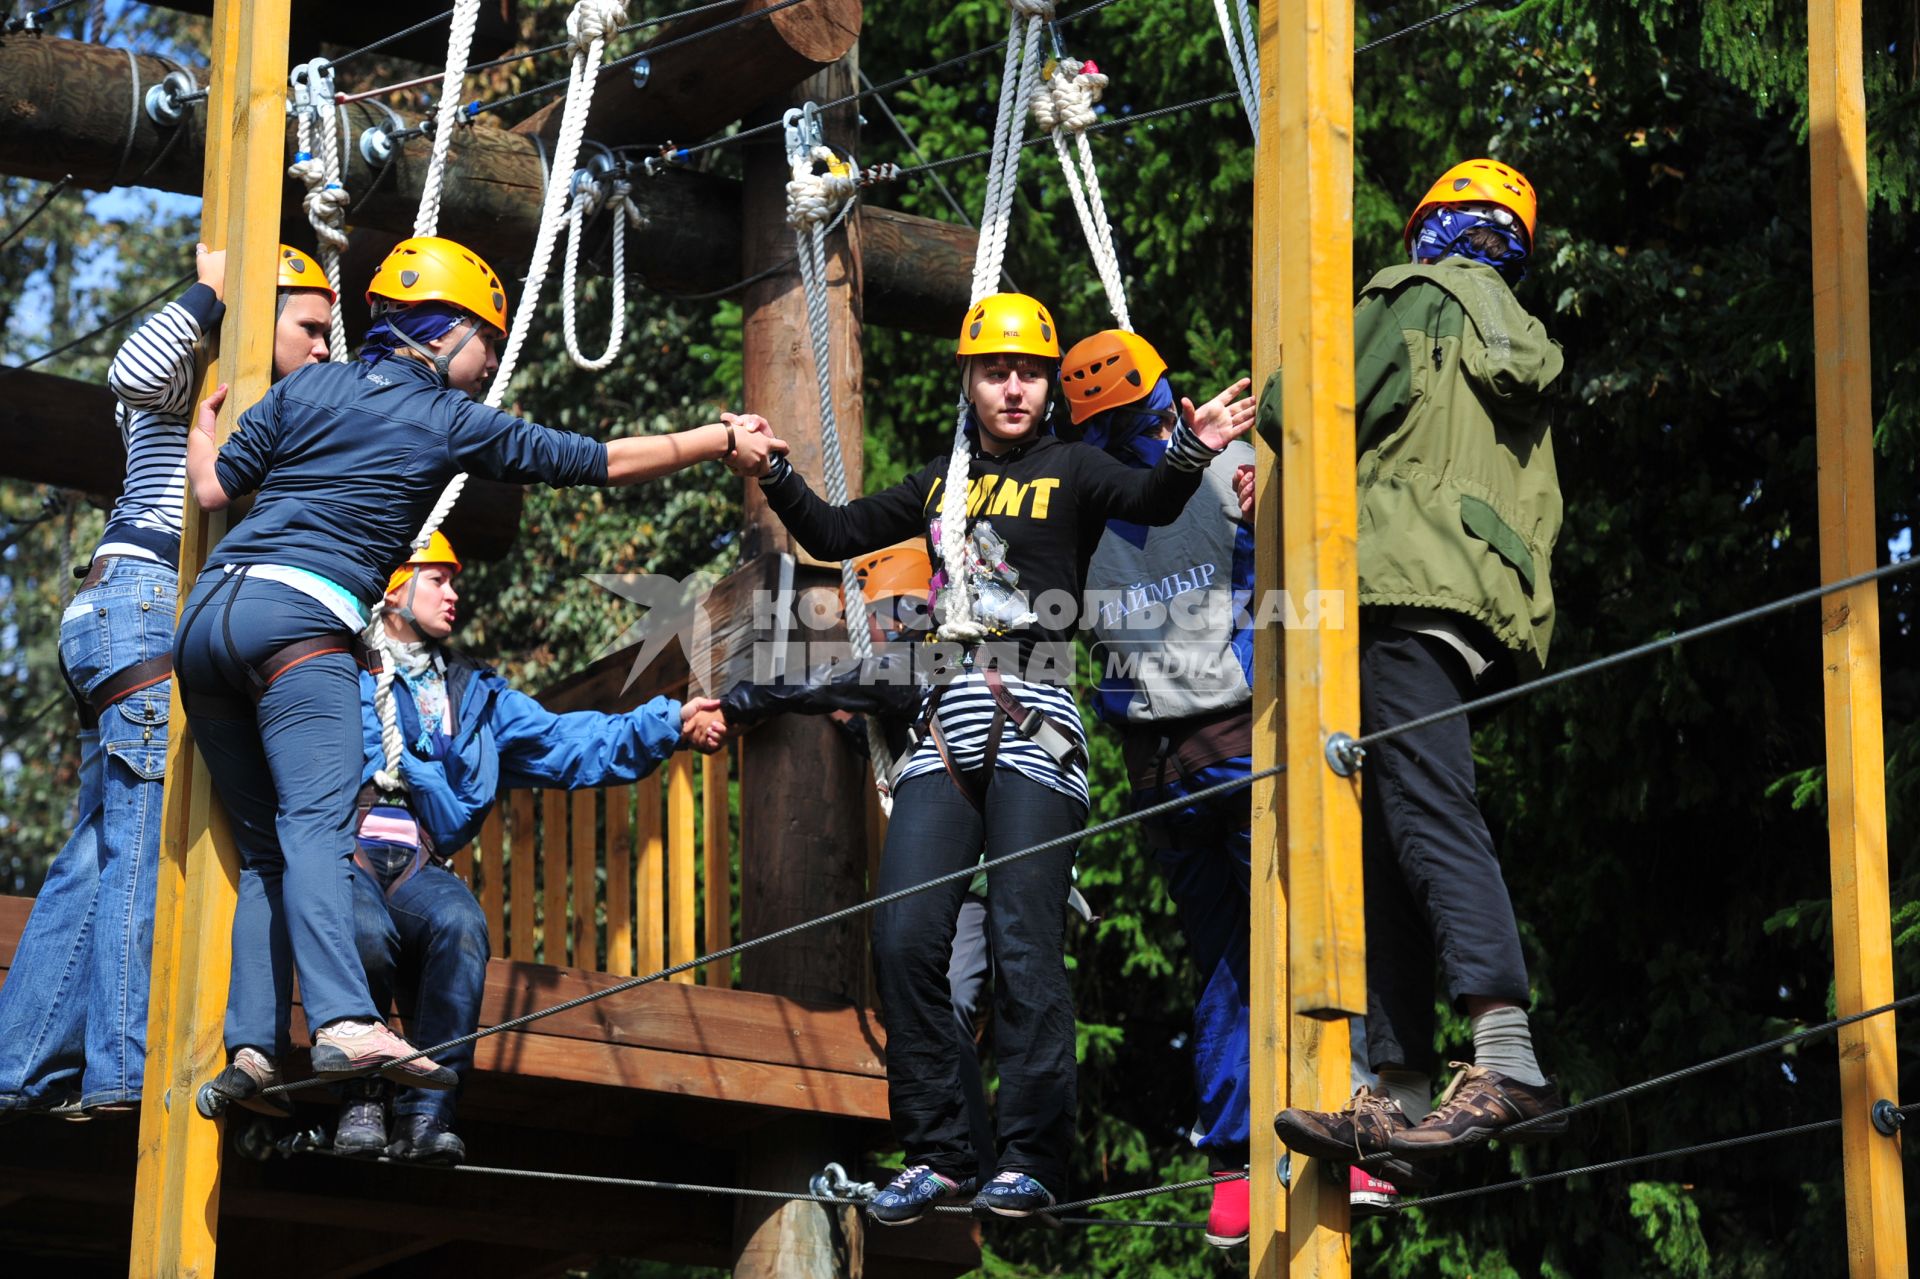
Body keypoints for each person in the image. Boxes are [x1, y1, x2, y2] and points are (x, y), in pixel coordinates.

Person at [177, 234, 784, 1108]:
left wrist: (202, 436)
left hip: (208, 622)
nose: (490, 366)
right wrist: (719, 437)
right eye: (487, 346)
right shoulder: (447, 418)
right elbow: (602, 461)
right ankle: (345, 1019)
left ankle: (255, 1050)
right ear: (445, 333)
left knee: (269, 848)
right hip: (300, 624)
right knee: (312, 830)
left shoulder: (304, 384)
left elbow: (212, 492)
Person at [753, 292, 1255, 1223]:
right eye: (996, 371)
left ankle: (1033, 1155)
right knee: (904, 939)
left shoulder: (1075, 468)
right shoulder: (941, 484)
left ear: (1047, 387)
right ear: (971, 384)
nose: (1014, 387)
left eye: (1029, 372)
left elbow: (1152, 496)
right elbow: (832, 533)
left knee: (1026, 939)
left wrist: (1196, 446)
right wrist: (774, 469)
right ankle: (941, 1151)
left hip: (1035, 720)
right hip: (947, 720)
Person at [1270, 158, 1570, 1171]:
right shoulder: (1520, 343)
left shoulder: (1408, 299)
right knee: (1394, 828)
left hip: (1397, 591)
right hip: (1476, 604)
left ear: (1428, 229)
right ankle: (1392, 1092)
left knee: (1429, 816)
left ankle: (1506, 1054)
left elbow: (1300, 409)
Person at [0, 243, 334, 1120]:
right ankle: (119, 1069)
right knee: (145, 852)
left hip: (120, 615)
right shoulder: (191, 374)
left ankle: (21, 1059)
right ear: (262, 316)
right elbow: (131, 365)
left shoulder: (261, 413)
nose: (327, 346)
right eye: (312, 327)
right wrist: (216, 290)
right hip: (143, 603)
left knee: (93, 855)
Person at [316, 533, 724, 1163]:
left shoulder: (476, 695)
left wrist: (667, 722)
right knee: (364, 931)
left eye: (455, 580)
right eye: (438, 579)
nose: (455, 594)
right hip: (347, 851)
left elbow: (569, 742)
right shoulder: (335, 671)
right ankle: (361, 1099)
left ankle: (427, 1113)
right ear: (394, 588)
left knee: (460, 924)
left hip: (419, 859)